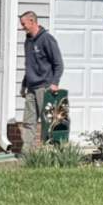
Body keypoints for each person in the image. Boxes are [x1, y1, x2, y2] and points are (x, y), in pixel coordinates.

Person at [20, 10, 63, 150]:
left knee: (48, 122)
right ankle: (28, 154)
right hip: (31, 88)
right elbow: (29, 65)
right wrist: (24, 85)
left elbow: (58, 64)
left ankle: (50, 152)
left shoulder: (47, 39)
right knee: (28, 121)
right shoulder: (28, 41)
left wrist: (55, 83)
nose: (22, 27)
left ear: (32, 21)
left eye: (24, 24)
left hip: (45, 88)